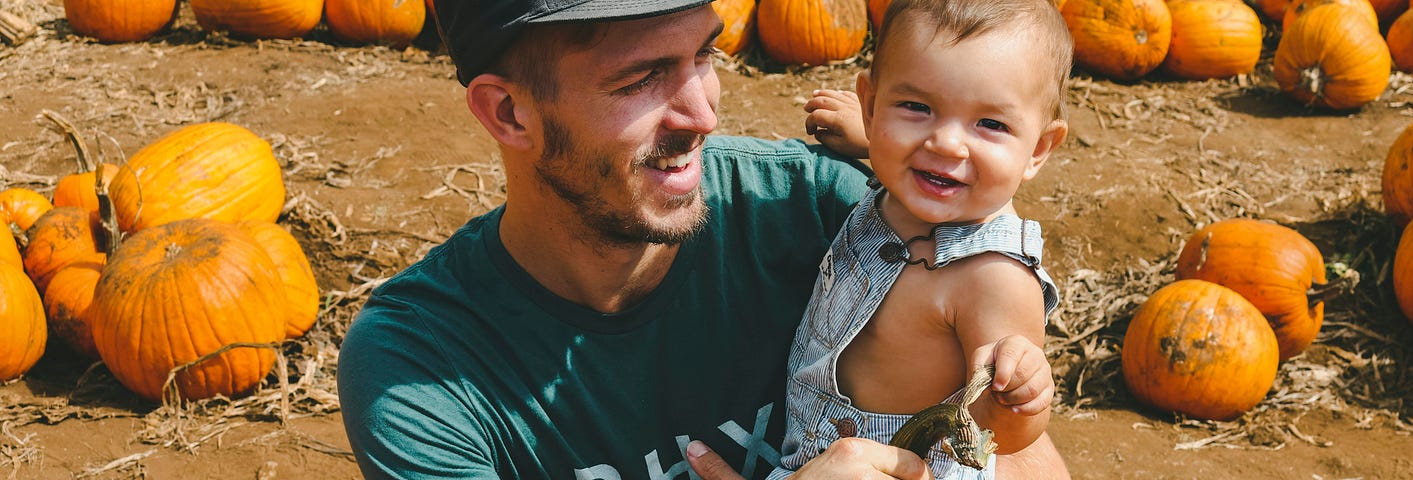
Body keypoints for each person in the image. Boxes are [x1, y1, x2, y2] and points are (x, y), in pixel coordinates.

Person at [336, 0, 1072, 478]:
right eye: (642, 79)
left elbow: (1029, 460)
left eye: (703, 56)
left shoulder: (828, 216)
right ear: (509, 113)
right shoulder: (423, 372)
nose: (704, 114)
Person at [764, 0, 1073, 478]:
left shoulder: (993, 278)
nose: (945, 144)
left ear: (1037, 149)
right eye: (916, 107)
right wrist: (874, 141)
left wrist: (1021, 400)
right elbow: (919, 162)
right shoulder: (914, 184)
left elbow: (997, 440)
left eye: (990, 124)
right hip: (820, 459)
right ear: (871, 106)